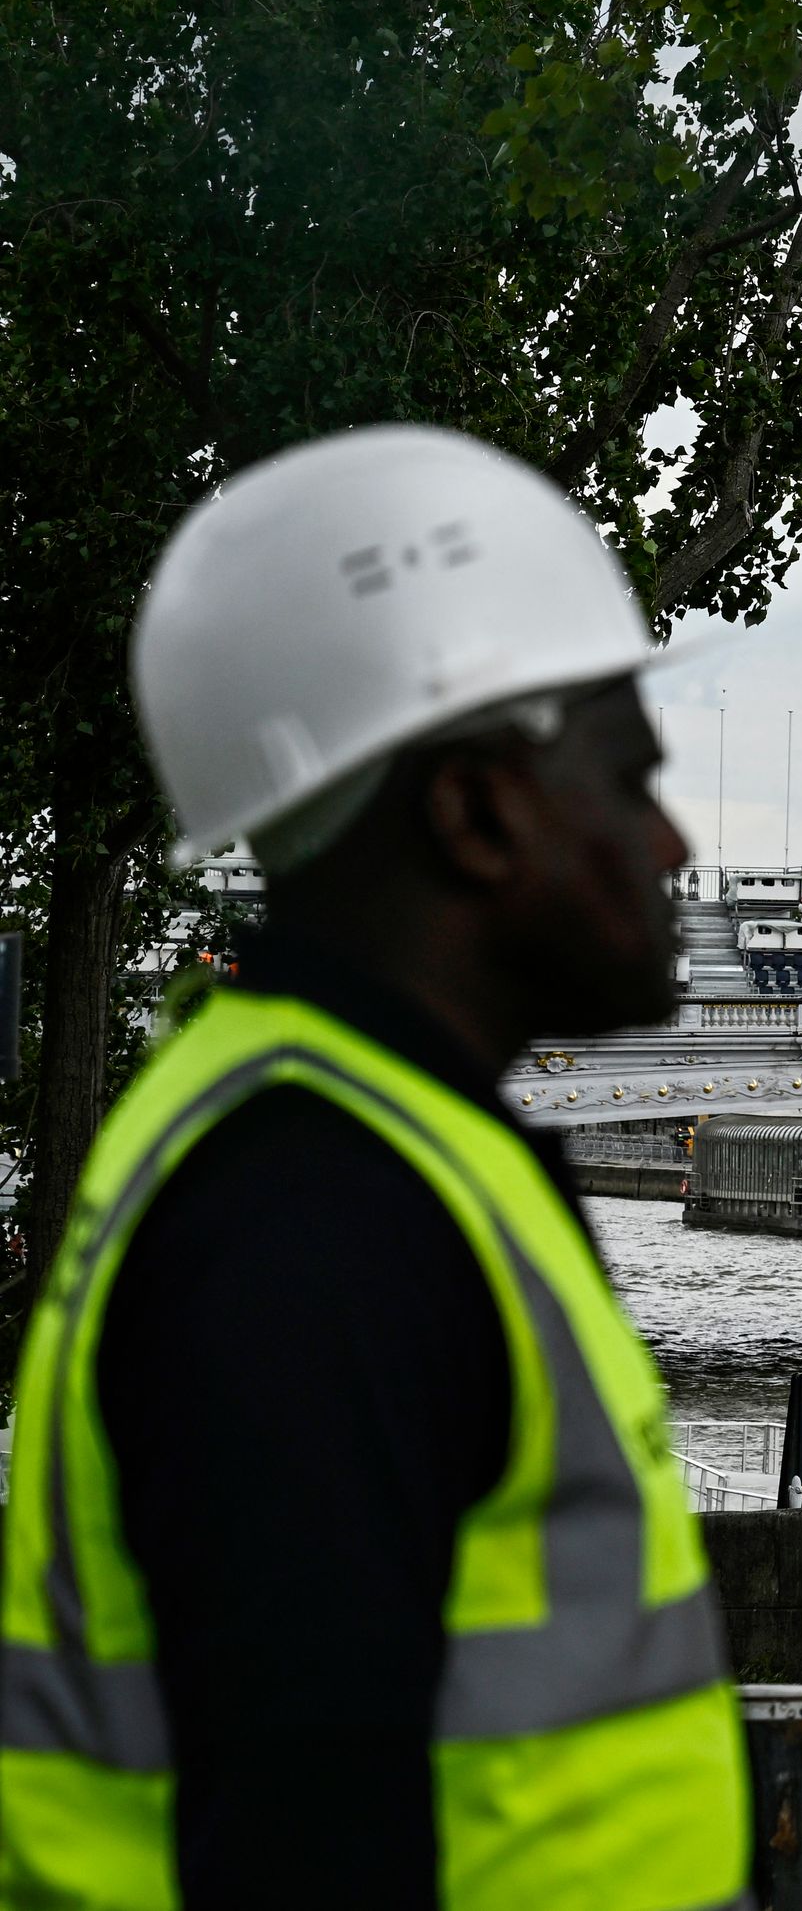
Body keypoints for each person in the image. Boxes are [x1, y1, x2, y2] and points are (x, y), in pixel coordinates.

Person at [0, 426, 749, 1909]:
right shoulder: (317, 1216)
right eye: (628, 776)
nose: (670, 845)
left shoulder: (340, 1152)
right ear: (475, 812)